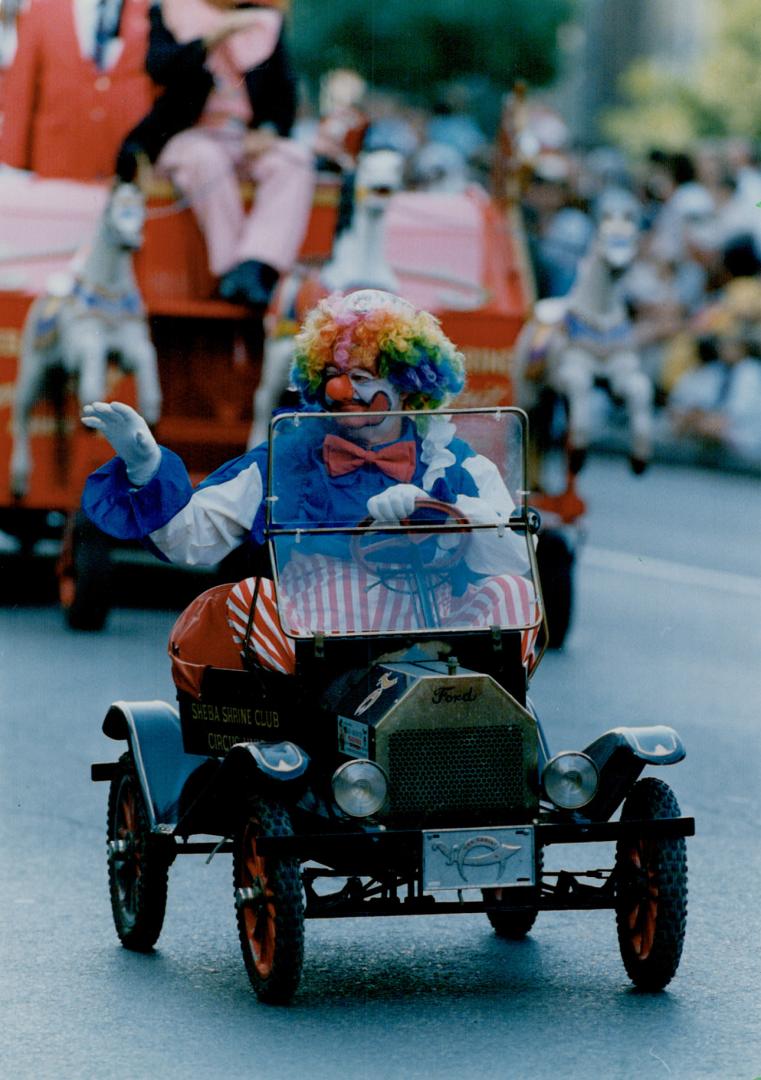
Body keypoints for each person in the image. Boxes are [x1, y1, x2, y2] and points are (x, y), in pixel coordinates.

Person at [81, 289, 537, 675]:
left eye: (361, 377)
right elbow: (193, 538)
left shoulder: (455, 463)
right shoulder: (287, 459)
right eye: (334, 377)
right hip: (319, 643)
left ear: (408, 385)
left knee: (513, 593)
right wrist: (146, 466)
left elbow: (513, 559)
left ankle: (488, 725)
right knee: (250, 597)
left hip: (432, 633)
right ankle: (308, 745)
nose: (343, 391)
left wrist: (443, 514)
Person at [116, 0, 314, 308]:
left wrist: (270, 129)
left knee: (294, 161)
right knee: (205, 160)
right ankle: (229, 269)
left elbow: (283, 88)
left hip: (244, 136)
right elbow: (160, 67)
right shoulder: (171, 11)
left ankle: (256, 263)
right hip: (188, 132)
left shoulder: (264, 21)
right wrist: (213, 36)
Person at [0, 0, 154, 181]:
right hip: (58, 167)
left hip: (127, 170)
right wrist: (11, 164)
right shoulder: (43, 7)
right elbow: (21, 89)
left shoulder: (149, 8)